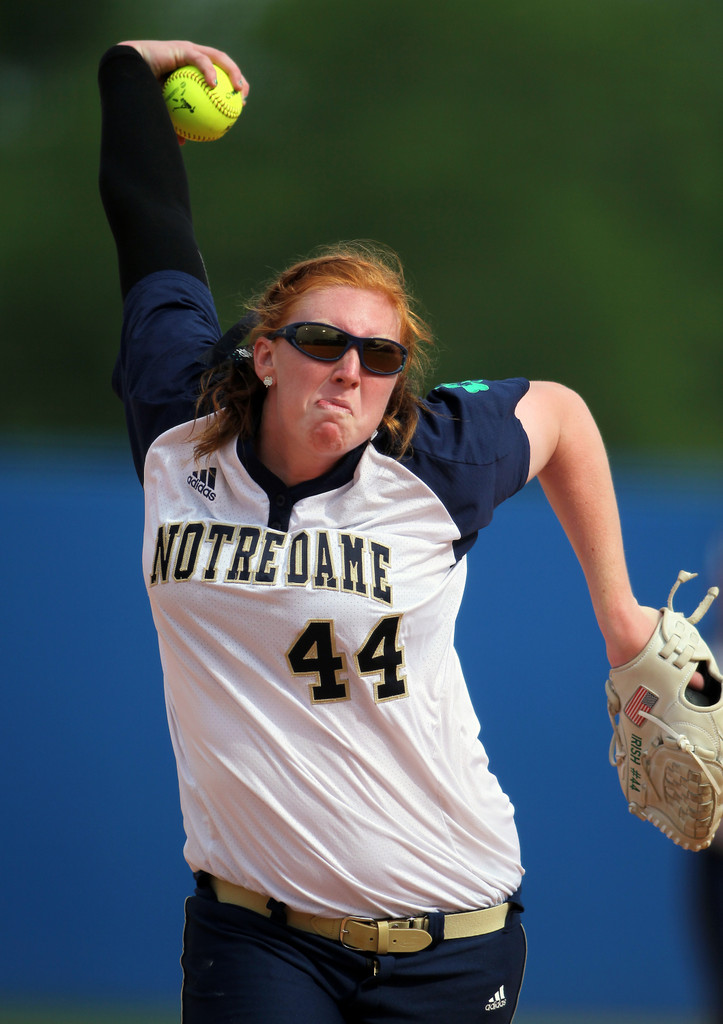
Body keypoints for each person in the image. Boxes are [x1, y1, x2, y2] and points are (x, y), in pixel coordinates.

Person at [99, 38, 679, 1024]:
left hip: (452, 929)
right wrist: (126, 70)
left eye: (380, 356)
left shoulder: (433, 458)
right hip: (256, 933)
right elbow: (150, 228)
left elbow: (565, 415)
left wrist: (621, 616)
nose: (350, 370)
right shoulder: (180, 417)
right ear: (268, 355)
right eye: (322, 342)